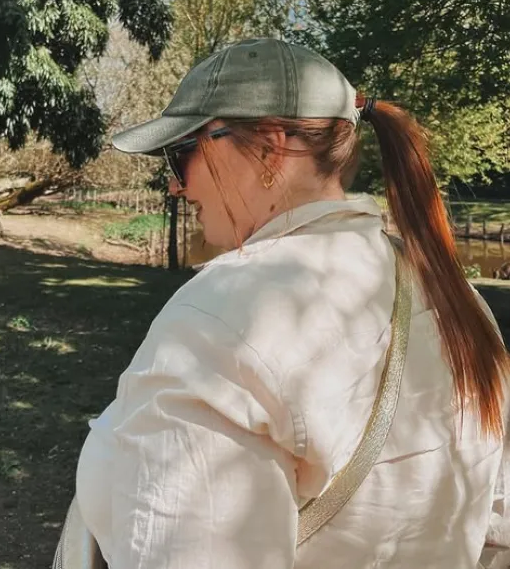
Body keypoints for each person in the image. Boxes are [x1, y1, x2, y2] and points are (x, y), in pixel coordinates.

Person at [73, 38, 510, 568]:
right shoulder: (458, 299)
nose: (173, 184)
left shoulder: (219, 320)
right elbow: (496, 525)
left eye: (182, 152)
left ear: (269, 148)